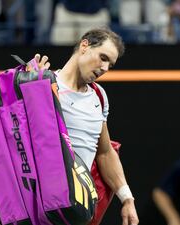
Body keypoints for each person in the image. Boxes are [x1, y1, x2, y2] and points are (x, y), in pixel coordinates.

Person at [33, 27, 139, 225]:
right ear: (84, 45)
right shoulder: (42, 84)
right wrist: (28, 88)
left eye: (110, 64)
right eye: (103, 57)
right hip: (40, 211)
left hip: (75, 213)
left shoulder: (99, 96)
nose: (105, 68)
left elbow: (105, 153)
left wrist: (127, 198)